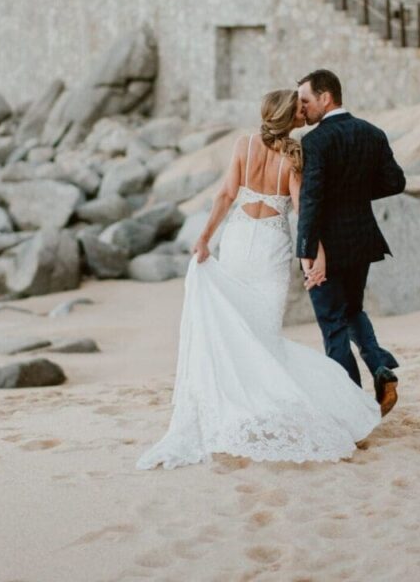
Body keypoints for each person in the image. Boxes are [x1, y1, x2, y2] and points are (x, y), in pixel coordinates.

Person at [137, 90, 381, 470]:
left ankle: (243, 409)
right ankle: (269, 408)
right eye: (299, 109)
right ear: (289, 118)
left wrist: (204, 240)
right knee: (265, 336)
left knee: (238, 330)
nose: (304, 112)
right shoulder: (294, 157)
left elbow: (224, 196)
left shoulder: (243, 145)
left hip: (237, 240)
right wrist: (317, 258)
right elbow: (304, 215)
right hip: (270, 247)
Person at [296, 69, 406, 416]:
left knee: (332, 324)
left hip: (326, 245)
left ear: (325, 97)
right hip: (361, 240)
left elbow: (311, 200)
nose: (303, 109)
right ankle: (379, 367)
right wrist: (356, 193)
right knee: (353, 309)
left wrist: (307, 251)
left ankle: (350, 407)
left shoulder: (315, 142)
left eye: (306, 101)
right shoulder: (372, 133)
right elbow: (395, 182)